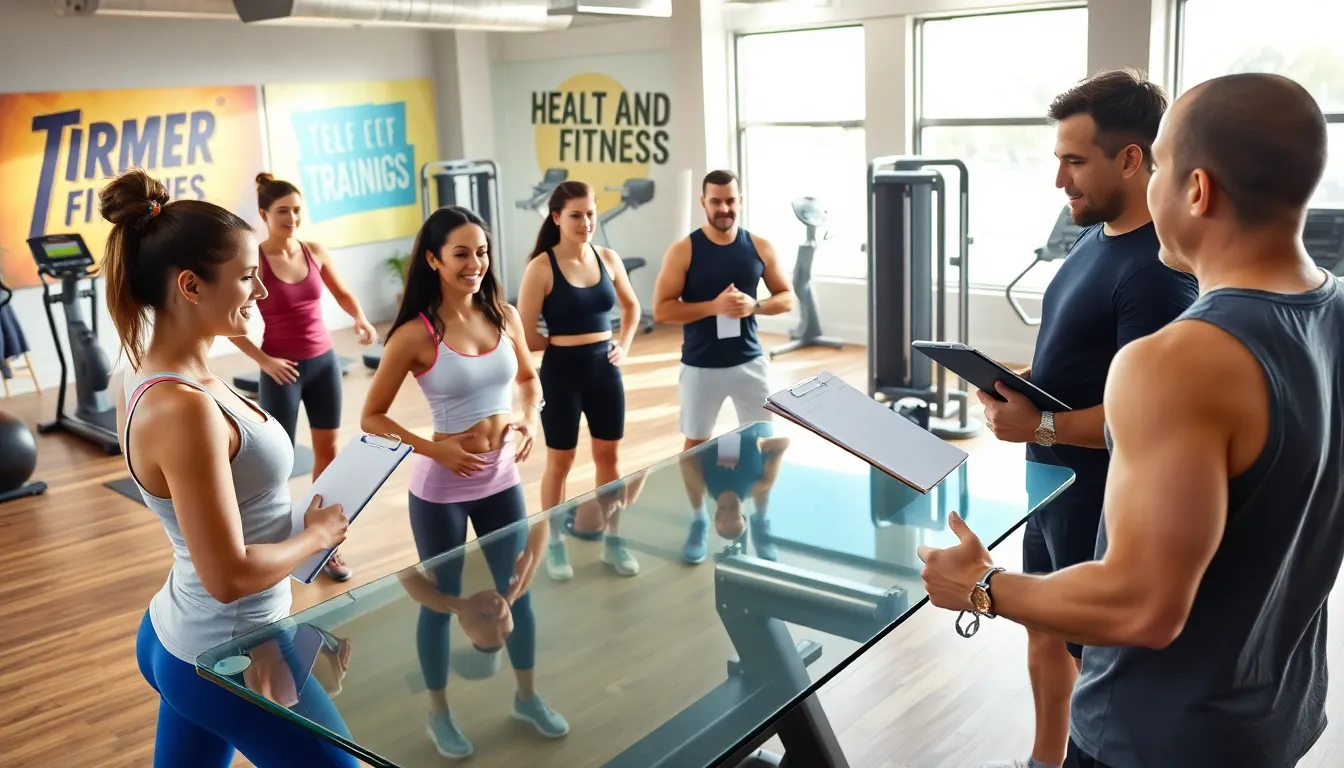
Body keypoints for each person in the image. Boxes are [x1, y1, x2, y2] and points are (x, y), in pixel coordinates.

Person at [919, 72, 1344, 768]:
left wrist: (980, 587)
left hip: (1153, 741)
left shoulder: (1176, 359)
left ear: (1197, 189)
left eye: (1164, 167)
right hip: (1275, 720)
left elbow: (1143, 607)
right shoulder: (1335, 310)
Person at [972, 70, 1199, 768]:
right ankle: (1048, 760)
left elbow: (1147, 418)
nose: (1059, 180)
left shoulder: (1157, 272)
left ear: (1131, 159)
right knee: (1040, 624)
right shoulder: (1092, 242)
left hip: (1099, 499)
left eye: (1074, 161)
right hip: (1051, 485)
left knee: (1086, 648)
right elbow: (1087, 359)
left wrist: (1038, 427)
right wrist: (1028, 383)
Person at [100, 168, 357, 768]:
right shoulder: (181, 407)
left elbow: (228, 520)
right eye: (247, 277)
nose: (262, 292)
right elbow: (228, 575)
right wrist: (316, 537)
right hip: (227, 649)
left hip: (186, 631)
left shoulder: (162, 379)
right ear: (190, 285)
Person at [360, 206, 567, 759]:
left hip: (502, 476)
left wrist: (529, 418)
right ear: (433, 260)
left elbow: (527, 378)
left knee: (516, 590)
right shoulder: (415, 333)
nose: (475, 263)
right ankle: (439, 712)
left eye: (481, 252)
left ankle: (526, 696)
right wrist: (435, 449)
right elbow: (372, 416)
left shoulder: (503, 316)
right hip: (441, 488)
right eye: (461, 253)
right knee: (440, 601)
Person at [229, 173, 378, 582]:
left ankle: (325, 545)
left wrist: (360, 318)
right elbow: (229, 323)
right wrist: (264, 361)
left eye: (296, 210)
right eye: (282, 212)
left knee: (327, 453)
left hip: (324, 363)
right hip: (282, 370)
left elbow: (343, 292)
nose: (292, 218)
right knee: (278, 461)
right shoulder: (253, 261)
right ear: (263, 214)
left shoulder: (314, 251)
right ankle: (278, 547)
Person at [652, 169, 795, 563]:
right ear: (704, 203)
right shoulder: (684, 251)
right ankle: (698, 519)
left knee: (763, 440)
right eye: (716, 201)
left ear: (740, 200)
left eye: (730, 200)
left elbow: (787, 296)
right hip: (701, 365)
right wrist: (712, 307)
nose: (724, 208)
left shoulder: (759, 246)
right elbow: (662, 309)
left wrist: (756, 305)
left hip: (749, 361)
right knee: (695, 444)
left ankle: (762, 519)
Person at [515, 180, 642, 582]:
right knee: (561, 462)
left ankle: (614, 539)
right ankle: (553, 543)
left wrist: (623, 344)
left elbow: (632, 305)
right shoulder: (541, 267)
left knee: (610, 459)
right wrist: (557, 344)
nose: (585, 222)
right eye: (575, 215)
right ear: (556, 218)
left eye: (590, 213)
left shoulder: (608, 257)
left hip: (605, 372)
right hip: (562, 374)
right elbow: (523, 331)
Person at [678, 422, 787, 562]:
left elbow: (686, 458)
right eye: (735, 513)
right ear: (742, 513)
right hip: (755, 429)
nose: (731, 509)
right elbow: (784, 443)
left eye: (725, 510)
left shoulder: (704, 483)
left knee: (694, 476)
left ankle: (699, 520)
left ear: (717, 514)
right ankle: (760, 520)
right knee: (764, 482)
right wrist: (761, 444)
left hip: (722, 428)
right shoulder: (757, 486)